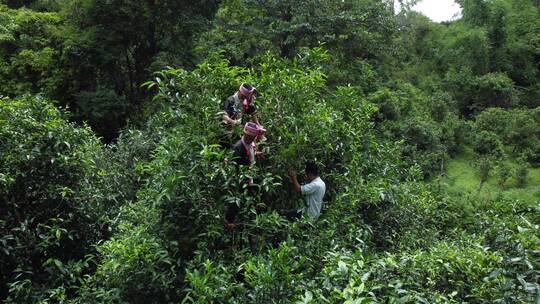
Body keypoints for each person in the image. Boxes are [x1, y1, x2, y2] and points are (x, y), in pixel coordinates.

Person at [225, 122, 266, 229]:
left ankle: (248, 220)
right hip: (241, 178)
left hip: (249, 176)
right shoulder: (238, 148)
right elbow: (233, 166)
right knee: (236, 197)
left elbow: (251, 152)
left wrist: (258, 154)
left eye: (251, 137)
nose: (249, 138)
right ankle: (230, 221)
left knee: (249, 200)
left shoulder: (251, 143)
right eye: (247, 136)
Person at [218, 83, 260, 147]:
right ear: (240, 92)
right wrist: (234, 122)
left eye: (246, 97)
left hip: (238, 129)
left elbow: (252, 113)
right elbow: (224, 116)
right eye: (243, 96)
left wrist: (258, 125)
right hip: (228, 129)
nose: (244, 98)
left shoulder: (245, 100)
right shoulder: (231, 100)